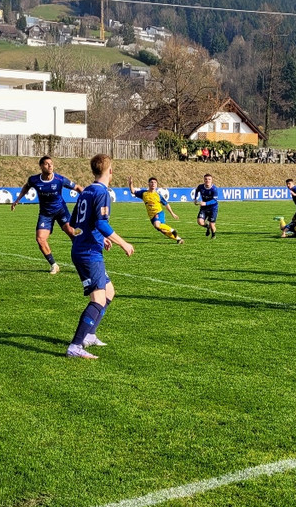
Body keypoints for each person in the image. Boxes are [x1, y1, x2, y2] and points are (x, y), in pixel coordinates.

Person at [66, 153, 134, 359]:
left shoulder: (86, 191)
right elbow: (101, 223)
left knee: (109, 292)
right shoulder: (102, 192)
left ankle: (89, 335)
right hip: (88, 252)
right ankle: (75, 346)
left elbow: (74, 221)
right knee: (98, 299)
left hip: (85, 246)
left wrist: (99, 238)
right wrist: (123, 243)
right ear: (110, 171)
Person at [10, 156, 83, 274]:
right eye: (47, 164)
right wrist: (17, 199)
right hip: (45, 214)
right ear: (41, 166)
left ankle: (83, 261)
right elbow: (26, 186)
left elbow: (78, 187)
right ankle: (54, 265)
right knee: (40, 239)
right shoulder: (34, 180)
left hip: (61, 210)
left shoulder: (59, 179)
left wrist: (88, 199)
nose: (50, 166)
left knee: (73, 234)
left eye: (51, 164)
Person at [128, 176, 183, 244]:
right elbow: (133, 191)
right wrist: (130, 184)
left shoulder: (158, 195)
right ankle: (178, 239)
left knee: (157, 225)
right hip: (151, 216)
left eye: (155, 182)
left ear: (156, 185)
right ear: (148, 184)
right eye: (151, 182)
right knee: (163, 230)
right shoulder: (144, 193)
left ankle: (172, 230)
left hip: (158, 213)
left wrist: (172, 213)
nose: (153, 184)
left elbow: (166, 204)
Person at [192, 173, 219, 238]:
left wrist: (205, 203)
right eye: (206, 179)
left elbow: (214, 200)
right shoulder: (200, 187)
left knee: (212, 225)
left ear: (211, 180)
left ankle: (213, 235)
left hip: (213, 208)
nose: (207, 180)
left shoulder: (214, 189)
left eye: (209, 179)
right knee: (200, 222)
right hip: (204, 208)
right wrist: (195, 199)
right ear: (204, 180)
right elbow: (197, 190)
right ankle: (207, 227)